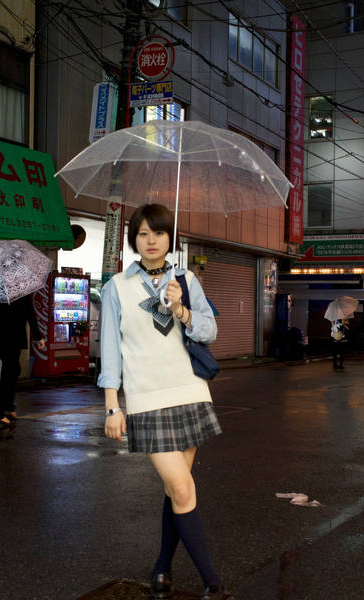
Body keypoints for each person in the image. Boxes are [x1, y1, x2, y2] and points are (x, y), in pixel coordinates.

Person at [98, 203, 231, 600]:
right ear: (133, 240)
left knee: (178, 488)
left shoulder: (185, 280)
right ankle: (213, 583)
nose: (151, 240)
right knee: (182, 489)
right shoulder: (116, 287)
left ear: (169, 237)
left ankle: (162, 568)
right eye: (143, 234)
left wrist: (181, 309)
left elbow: (209, 331)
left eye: (158, 232)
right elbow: (110, 350)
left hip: (189, 391)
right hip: (146, 398)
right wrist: (112, 406)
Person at [0, 293, 44, 433]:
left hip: (9, 336)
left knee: (13, 370)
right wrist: (2, 300)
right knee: (9, 371)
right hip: (4, 337)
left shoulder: (17, 291)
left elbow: (30, 314)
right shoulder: (3, 290)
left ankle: (8, 407)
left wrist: (38, 336)